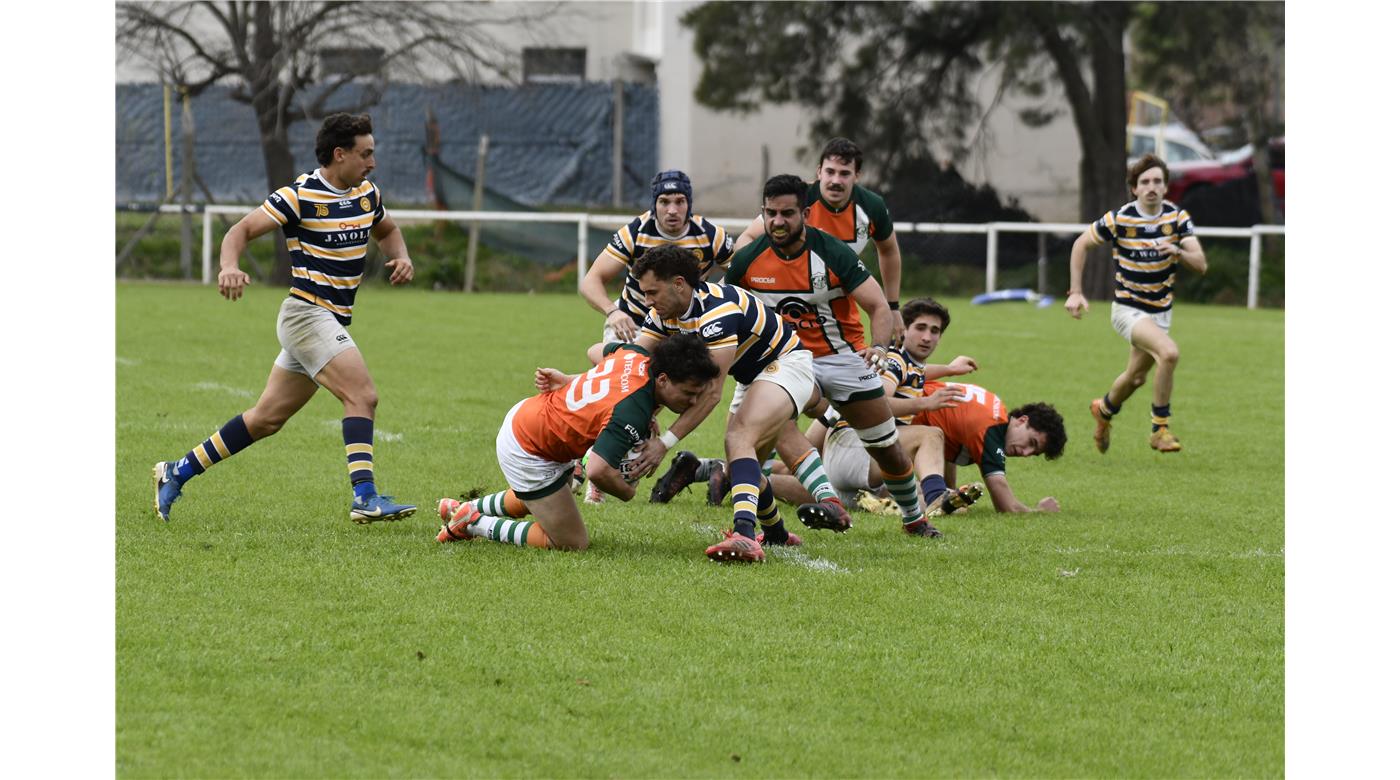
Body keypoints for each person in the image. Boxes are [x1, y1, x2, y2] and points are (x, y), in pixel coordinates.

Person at [152, 113, 417, 525]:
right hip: (306, 314)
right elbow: (238, 231)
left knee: (266, 419)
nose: (372, 162)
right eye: (366, 154)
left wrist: (400, 257)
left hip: (328, 322)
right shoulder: (299, 195)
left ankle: (177, 471)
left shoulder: (367, 194)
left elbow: (387, 230)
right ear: (339, 154)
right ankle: (365, 497)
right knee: (362, 395)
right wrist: (228, 267)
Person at [726, 174, 940, 539]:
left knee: (886, 448)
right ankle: (771, 521)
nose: (778, 222)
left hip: (841, 359)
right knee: (754, 435)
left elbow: (877, 306)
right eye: (770, 214)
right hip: (785, 361)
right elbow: (731, 311)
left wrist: (879, 348)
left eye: (787, 214)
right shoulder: (747, 260)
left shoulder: (833, 252)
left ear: (805, 213)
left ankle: (914, 519)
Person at [629, 245, 836, 563]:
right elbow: (632, 364)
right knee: (741, 462)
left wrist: (664, 442)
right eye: (644, 294)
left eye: (652, 292)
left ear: (680, 284)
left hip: (786, 362)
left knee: (739, 437)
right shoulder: (663, 315)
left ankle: (745, 535)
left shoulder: (718, 311)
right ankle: (778, 534)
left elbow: (710, 393)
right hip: (751, 375)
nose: (648, 302)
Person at [435, 335, 719, 551]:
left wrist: (575, 379)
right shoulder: (632, 412)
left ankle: (464, 507)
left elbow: (596, 350)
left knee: (546, 497)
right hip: (529, 448)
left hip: (531, 417)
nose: (693, 402)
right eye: (689, 393)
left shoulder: (636, 354)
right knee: (571, 542)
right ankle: (472, 524)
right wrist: (627, 491)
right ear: (664, 379)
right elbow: (597, 470)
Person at [1065, 153, 1208, 454]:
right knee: (1168, 353)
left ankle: (1103, 410)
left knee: (1136, 377)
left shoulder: (1177, 219)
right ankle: (1160, 429)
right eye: (1145, 182)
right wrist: (1076, 291)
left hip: (1161, 313)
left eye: (1157, 181)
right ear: (1135, 188)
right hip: (1128, 310)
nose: (1151, 186)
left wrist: (1177, 251)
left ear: (1166, 187)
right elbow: (1081, 244)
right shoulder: (1120, 218)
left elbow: (1201, 263)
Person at [735, 138, 906, 345]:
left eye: (844, 173)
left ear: (857, 176)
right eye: (830, 171)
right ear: (819, 172)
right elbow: (748, 237)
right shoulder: (799, 199)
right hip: (787, 297)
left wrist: (893, 307)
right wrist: (758, 271)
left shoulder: (871, 206)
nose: (836, 180)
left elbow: (889, 251)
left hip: (835, 303)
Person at [578, 169, 734, 364]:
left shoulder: (711, 236)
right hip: (633, 323)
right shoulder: (635, 232)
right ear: (654, 204)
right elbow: (590, 281)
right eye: (664, 202)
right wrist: (613, 312)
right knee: (622, 376)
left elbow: (738, 272)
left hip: (684, 328)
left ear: (689, 204)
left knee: (678, 388)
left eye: (679, 201)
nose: (672, 210)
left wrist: (713, 300)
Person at [910, 382, 1067, 513]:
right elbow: (1007, 507)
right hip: (895, 423)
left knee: (931, 494)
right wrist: (1039, 511)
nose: (1026, 453)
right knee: (912, 495)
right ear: (1022, 420)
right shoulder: (990, 429)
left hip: (903, 405)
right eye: (1031, 443)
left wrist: (949, 491)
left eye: (1034, 453)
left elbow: (947, 440)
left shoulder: (994, 410)